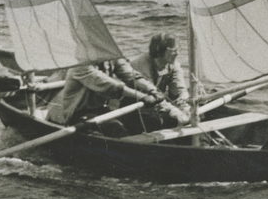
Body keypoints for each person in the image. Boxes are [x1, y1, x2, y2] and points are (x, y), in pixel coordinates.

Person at [46, 56, 186, 131]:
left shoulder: (111, 58)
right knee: (116, 129)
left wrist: (152, 90)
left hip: (99, 109)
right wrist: (142, 96)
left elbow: (132, 76)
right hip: (72, 114)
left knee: (132, 125)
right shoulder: (80, 65)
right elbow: (109, 85)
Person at [131, 32, 191, 122]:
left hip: (156, 102)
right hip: (134, 105)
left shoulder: (173, 64)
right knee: (155, 122)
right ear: (161, 51)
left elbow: (180, 90)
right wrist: (173, 110)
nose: (177, 54)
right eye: (173, 50)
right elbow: (152, 95)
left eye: (179, 49)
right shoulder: (141, 65)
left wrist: (185, 106)